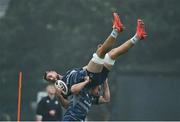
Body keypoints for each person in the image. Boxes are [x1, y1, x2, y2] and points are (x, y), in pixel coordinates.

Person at [43, 12, 147, 97]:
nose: (51, 79)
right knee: (101, 52)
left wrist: (98, 60)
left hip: (96, 75)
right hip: (91, 78)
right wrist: (85, 82)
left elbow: (84, 68)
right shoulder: (61, 87)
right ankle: (116, 29)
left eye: (50, 76)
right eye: (49, 80)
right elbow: (73, 91)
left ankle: (138, 36)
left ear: (53, 71)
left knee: (113, 53)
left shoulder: (67, 74)